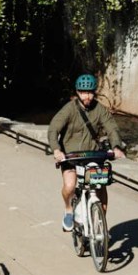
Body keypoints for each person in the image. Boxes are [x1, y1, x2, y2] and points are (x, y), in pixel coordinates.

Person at [48, 72, 120, 231]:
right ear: (77, 93)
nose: (87, 96)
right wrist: (56, 150)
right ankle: (68, 210)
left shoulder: (100, 109)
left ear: (94, 92)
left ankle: (100, 225)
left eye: (89, 92)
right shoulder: (69, 109)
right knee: (70, 186)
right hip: (70, 156)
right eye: (83, 92)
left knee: (100, 186)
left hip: (92, 154)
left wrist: (116, 146)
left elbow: (111, 128)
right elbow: (53, 129)